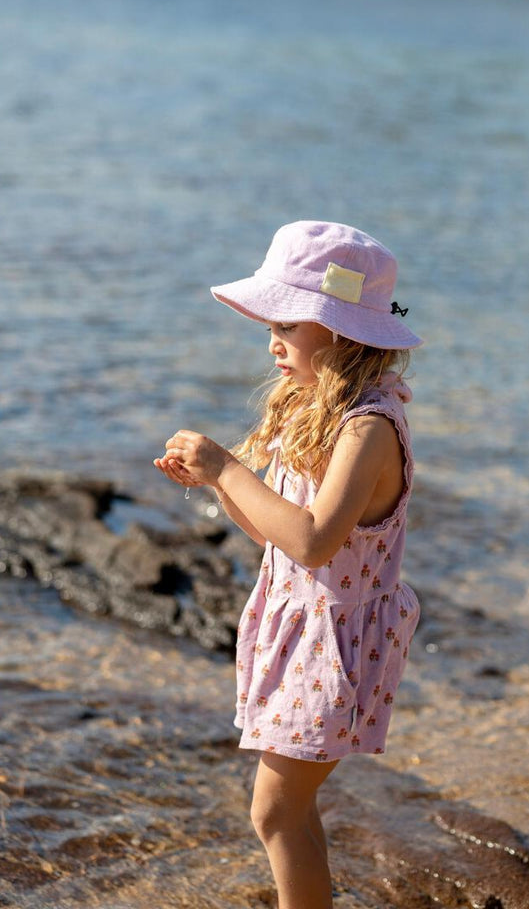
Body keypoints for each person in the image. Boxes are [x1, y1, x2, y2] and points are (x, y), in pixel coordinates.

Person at [154, 221, 422, 909]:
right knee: (285, 811)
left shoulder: (367, 429)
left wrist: (230, 467)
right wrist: (219, 485)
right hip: (301, 630)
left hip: (334, 644)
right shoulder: (319, 410)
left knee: (275, 812)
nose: (272, 339)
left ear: (339, 332)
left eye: (288, 323)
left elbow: (312, 542)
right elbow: (278, 536)